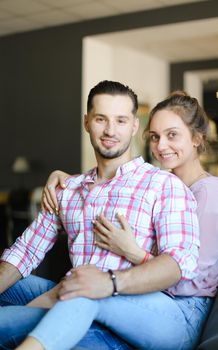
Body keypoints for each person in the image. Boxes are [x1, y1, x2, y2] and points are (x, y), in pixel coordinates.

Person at [0, 81, 202, 350]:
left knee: (82, 288)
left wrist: (107, 282)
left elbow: (177, 264)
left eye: (120, 120)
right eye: (100, 119)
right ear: (86, 122)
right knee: (20, 283)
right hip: (75, 298)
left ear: (134, 126)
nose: (110, 130)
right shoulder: (68, 189)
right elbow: (25, 252)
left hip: (134, 312)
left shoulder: (164, 185)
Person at [39, 90, 218, 349]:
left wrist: (133, 252)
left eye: (172, 135)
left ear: (196, 139)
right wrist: (64, 178)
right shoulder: (161, 184)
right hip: (145, 297)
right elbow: (107, 188)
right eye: (154, 137)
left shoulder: (205, 196)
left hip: (179, 308)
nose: (161, 146)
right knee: (39, 288)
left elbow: (189, 280)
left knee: (83, 290)